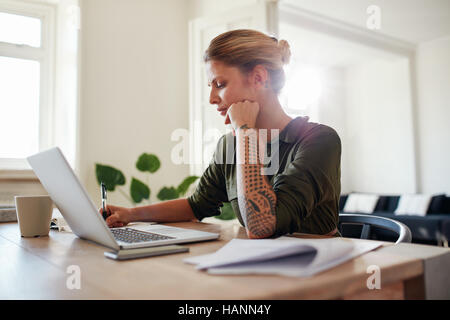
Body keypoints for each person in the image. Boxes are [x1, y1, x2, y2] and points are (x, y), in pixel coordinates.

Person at [100, 29, 342, 239]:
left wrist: (246, 132)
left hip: (322, 274)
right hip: (261, 269)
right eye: (210, 87)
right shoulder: (230, 144)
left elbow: (261, 226)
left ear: (258, 77)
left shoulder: (319, 140)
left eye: (220, 84)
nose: (212, 99)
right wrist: (130, 214)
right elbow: (196, 205)